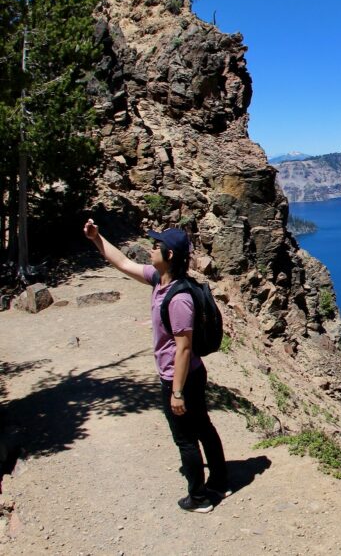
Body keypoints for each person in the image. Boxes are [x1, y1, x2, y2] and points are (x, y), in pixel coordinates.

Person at [83, 218, 229, 513]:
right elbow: (123, 263)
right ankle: (219, 479)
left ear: (170, 255)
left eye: (156, 246)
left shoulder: (179, 299)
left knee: (186, 438)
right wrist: (97, 238)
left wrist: (176, 392)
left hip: (181, 377)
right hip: (189, 375)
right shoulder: (158, 279)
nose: (150, 249)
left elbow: (184, 348)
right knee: (203, 426)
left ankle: (199, 498)